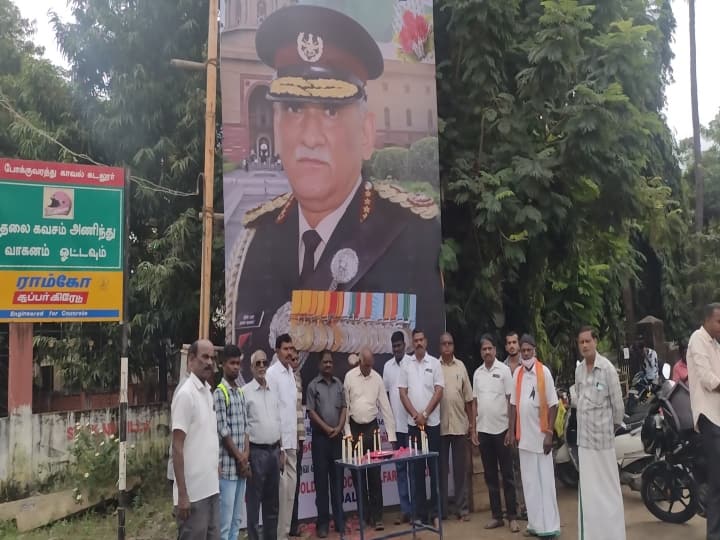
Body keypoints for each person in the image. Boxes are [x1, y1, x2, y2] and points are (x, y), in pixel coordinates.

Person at [227, 4, 444, 355]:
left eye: (330, 111)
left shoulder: (415, 237)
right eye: (294, 109)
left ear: (367, 133)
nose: (309, 137)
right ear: (277, 124)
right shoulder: (253, 243)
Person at [575, 327, 626, 540]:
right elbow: (578, 398)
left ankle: (613, 535)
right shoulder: (579, 370)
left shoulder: (607, 369)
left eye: (588, 341)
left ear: (596, 341)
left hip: (603, 443)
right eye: (581, 342)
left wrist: (608, 429)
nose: (585, 345)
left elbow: (618, 408)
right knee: (589, 493)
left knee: (609, 491)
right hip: (584, 442)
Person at [508, 334, 560, 538]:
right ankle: (535, 524)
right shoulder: (517, 374)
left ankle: (550, 527)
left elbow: (554, 404)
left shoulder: (543, 372)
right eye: (523, 350)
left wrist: (549, 434)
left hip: (541, 438)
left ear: (535, 351)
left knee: (545, 482)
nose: (526, 353)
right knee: (529, 483)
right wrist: (511, 432)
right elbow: (513, 405)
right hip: (524, 439)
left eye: (529, 350)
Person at [172, 340, 220, 540]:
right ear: (191, 360)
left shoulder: (207, 392)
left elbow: (205, 437)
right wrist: (183, 495)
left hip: (211, 489)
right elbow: (177, 447)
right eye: (205, 357)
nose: (210, 362)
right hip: (193, 495)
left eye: (212, 358)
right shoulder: (186, 395)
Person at [344, 346, 397, 530]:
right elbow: (345, 408)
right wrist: (348, 434)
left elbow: (386, 407)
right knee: (358, 476)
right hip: (355, 429)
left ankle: (378, 516)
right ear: (360, 362)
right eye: (366, 365)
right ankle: (364, 516)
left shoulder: (377, 378)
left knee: (375, 475)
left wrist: (391, 435)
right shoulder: (349, 377)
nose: (369, 369)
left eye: (371, 365)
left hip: (372, 429)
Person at [471, 334, 519, 533]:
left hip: (502, 431)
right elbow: (474, 402)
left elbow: (511, 401)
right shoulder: (477, 373)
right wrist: (473, 428)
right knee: (490, 476)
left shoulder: (505, 371)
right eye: (484, 349)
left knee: (507, 475)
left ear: (495, 350)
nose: (487, 352)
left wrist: (510, 428)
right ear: (481, 352)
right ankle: (496, 516)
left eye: (490, 348)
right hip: (484, 431)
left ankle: (513, 517)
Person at [399, 329, 444, 527]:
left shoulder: (434, 363)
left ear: (426, 342)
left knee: (433, 470)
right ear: (412, 342)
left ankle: (435, 514)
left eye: (421, 340)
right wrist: (415, 416)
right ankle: (419, 515)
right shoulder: (406, 364)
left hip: (432, 424)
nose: (418, 343)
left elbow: (439, 391)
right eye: (415, 340)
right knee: (416, 471)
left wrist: (425, 415)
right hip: (413, 425)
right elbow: (402, 393)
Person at [686, 303, 720, 540]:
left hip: (719, 416)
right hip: (708, 416)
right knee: (717, 481)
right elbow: (708, 379)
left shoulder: (716, 345)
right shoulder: (697, 339)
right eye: (718, 321)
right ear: (707, 320)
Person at [306, 351, 347, 538]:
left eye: (330, 362)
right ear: (319, 364)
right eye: (325, 362)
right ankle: (322, 524)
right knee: (321, 483)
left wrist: (338, 427)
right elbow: (311, 412)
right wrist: (326, 428)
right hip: (321, 439)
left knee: (338, 482)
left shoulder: (339, 384)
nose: (328, 365)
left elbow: (344, 407)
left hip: (337, 439)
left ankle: (339, 521)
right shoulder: (313, 386)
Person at [244, 350, 283, 540]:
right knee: (254, 504)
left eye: (264, 363)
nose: (261, 366)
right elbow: (244, 428)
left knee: (272, 504)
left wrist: (281, 450)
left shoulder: (274, 390)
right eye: (257, 363)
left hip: (274, 452)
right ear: (251, 368)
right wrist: (246, 458)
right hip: (256, 453)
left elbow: (278, 421)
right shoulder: (246, 393)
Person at [215, 345, 250, 540]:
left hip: (241, 468)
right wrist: (240, 458)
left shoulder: (240, 392)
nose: (236, 367)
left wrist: (246, 455)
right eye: (232, 363)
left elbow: (246, 427)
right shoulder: (220, 393)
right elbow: (223, 432)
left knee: (236, 520)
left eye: (238, 363)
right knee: (225, 523)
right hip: (228, 469)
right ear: (222, 365)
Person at [438, 332, 474, 521]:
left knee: (461, 470)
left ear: (453, 346)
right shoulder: (434, 367)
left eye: (450, 343)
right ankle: (442, 510)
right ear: (439, 346)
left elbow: (469, 399)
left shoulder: (461, 367)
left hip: (460, 425)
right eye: (443, 344)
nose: (447, 347)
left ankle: (462, 509)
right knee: (442, 471)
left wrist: (472, 425)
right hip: (440, 426)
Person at [266, 334, 298, 540]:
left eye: (291, 349)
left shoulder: (290, 373)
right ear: (277, 351)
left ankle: (284, 534)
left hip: (292, 441)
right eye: (285, 349)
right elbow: (272, 409)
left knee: (290, 494)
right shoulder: (272, 373)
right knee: (280, 493)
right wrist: (279, 446)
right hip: (280, 444)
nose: (289, 353)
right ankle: (278, 536)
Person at [382, 331, 412, 524]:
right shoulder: (387, 367)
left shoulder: (412, 363)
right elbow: (385, 397)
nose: (397, 349)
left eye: (399, 345)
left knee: (415, 470)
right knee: (400, 469)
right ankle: (405, 510)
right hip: (396, 429)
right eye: (394, 346)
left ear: (405, 345)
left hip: (412, 426)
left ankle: (417, 509)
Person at [504, 330, 526, 519]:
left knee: (525, 465)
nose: (512, 345)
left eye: (514, 342)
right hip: (507, 425)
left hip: (526, 423)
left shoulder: (526, 366)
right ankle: (516, 507)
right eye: (509, 343)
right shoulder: (502, 368)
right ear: (505, 347)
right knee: (512, 468)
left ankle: (528, 506)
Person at [289, 348, 305, 538]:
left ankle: (293, 525)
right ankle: (286, 526)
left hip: (298, 438)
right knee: (285, 487)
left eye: (296, 359)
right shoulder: (277, 377)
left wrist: (301, 438)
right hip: (286, 442)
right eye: (292, 359)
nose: (295, 362)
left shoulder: (298, 377)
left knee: (296, 484)